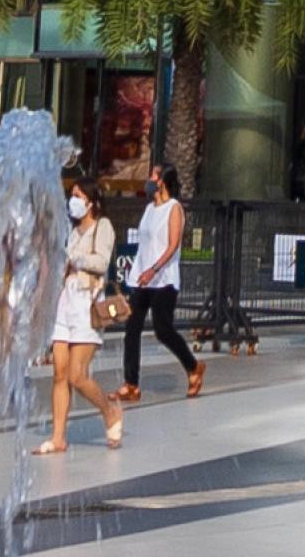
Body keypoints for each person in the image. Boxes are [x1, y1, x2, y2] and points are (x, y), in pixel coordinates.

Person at [42, 177, 131, 454]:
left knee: (77, 376)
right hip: (65, 302)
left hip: (86, 303)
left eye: (78, 195)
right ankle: (58, 437)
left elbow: (103, 262)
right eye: (72, 195)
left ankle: (109, 411)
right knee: (59, 373)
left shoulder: (101, 227)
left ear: (91, 201)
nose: (74, 200)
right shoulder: (73, 231)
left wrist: (74, 258)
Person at [115, 156, 205, 401]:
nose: (150, 180)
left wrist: (153, 269)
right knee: (131, 329)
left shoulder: (173, 208)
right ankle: (131, 383)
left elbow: (173, 245)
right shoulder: (149, 209)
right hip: (142, 279)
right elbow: (144, 244)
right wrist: (136, 274)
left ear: (164, 181)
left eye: (154, 176)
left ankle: (193, 366)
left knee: (162, 329)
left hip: (163, 278)